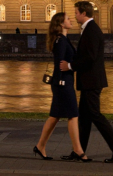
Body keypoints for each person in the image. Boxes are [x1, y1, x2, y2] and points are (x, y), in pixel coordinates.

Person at [59, 1, 113, 163]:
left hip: (92, 81)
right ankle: (79, 151)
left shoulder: (91, 30)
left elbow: (90, 57)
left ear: (83, 13)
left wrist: (69, 66)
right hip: (89, 81)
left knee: (95, 115)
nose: (75, 16)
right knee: (84, 118)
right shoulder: (90, 29)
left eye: (76, 13)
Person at [34, 13, 90, 162]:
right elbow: (59, 64)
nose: (70, 20)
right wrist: (59, 83)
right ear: (61, 24)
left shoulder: (64, 40)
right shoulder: (60, 41)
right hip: (63, 84)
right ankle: (78, 150)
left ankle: (40, 146)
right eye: (67, 19)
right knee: (73, 115)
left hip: (64, 82)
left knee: (55, 116)